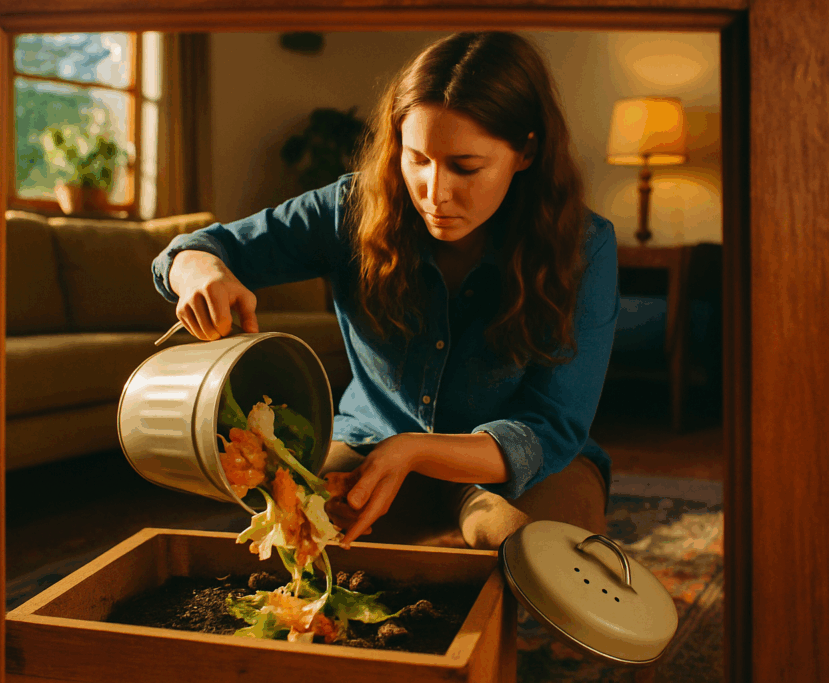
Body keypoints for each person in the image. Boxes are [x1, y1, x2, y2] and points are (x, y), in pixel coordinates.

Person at [152, 31, 619, 551]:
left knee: (527, 549)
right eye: (416, 158)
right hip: (368, 443)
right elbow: (200, 247)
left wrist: (417, 450)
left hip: (517, 466)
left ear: (526, 151)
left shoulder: (583, 246)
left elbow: (552, 426)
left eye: (465, 166)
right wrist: (199, 270)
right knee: (301, 531)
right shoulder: (352, 207)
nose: (434, 193)